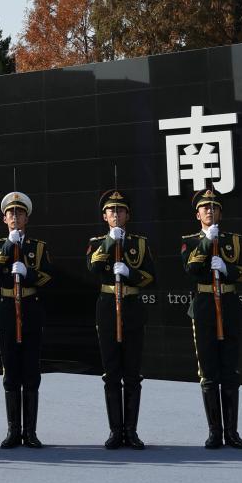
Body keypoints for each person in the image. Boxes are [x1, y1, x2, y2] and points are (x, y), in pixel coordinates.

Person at [181, 188, 242, 450]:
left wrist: (226, 269)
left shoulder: (234, 240)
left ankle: (232, 432)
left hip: (229, 303)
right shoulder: (190, 241)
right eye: (205, 208)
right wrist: (205, 243)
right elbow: (190, 268)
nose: (210, 211)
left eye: (214, 207)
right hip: (204, 306)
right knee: (209, 371)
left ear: (220, 213)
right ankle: (214, 432)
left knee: (230, 370)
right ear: (197, 214)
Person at [87, 189, 156, 450]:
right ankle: (115, 431)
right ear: (104, 216)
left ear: (128, 215)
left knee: (132, 373)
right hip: (107, 307)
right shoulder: (97, 242)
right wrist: (109, 243)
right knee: (112, 373)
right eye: (111, 211)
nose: (116, 214)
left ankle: (131, 431)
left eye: (120, 210)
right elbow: (93, 266)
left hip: (132, 306)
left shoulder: (140, 243)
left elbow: (151, 277)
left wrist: (129, 273)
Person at [0, 191, 52, 449]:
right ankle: (13, 431)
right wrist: (7, 246)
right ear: (4, 219)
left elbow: (48, 277)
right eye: (11, 213)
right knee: (11, 372)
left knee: (31, 371)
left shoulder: (38, 247)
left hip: (30, 307)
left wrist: (28, 273)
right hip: (6, 309)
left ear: (27, 218)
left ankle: (30, 432)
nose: (15, 217)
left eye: (20, 213)